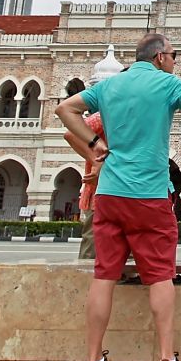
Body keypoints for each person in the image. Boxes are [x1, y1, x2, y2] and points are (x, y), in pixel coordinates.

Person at [55, 33, 181, 361]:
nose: (175, 61)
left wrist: (95, 144)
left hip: (109, 196)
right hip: (150, 196)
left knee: (104, 276)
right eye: (174, 55)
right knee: (159, 276)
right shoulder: (167, 83)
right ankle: (167, 360)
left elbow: (64, 109)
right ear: (159, 57)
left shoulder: (109, 86)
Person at [72, 112, 106, 261]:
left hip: (126, 196)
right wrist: (96, 161)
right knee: (92, 250)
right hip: (99, 195)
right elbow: (72, 134)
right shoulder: (106, 114)